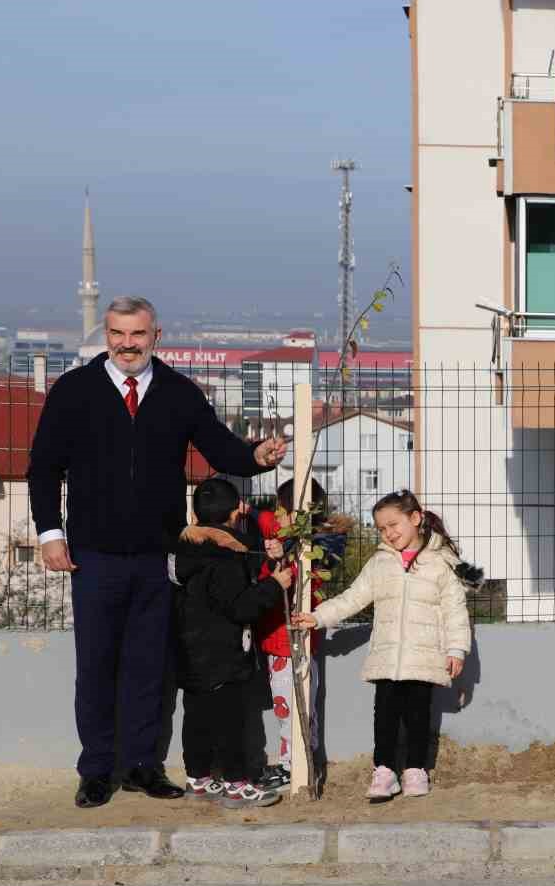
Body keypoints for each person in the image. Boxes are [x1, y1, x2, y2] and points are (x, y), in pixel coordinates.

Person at [28, 296, 287, 809]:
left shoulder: (177, 392)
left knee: (151, 667)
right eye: (118, 334)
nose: (128, 344)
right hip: (93, 557)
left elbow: (220, 448)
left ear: (156, 336)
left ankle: (142, 766)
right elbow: (43, 468)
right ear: (108, 335)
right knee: (97, 664)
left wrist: (256, 457)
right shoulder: (74, 390)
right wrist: (49, 534)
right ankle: (97, 769)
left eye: (138, 335)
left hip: (157, 557)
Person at [295, 490, 481, 802]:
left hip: (423, 658)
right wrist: (318, 617)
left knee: (419, 715)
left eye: (394, 524)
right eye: (381, 529)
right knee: (385, 715)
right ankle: (383, 771)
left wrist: (456, 650)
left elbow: (455, 611)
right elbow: (352, 597)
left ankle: (415, 770)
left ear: (416, 519)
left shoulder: (442, 564)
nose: (388, 533)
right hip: (386, 657)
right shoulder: (379, 563)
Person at [170, 479, 290, 809]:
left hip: (190, 655)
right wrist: (273, 584)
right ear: (237, 511)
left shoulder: (186, 550)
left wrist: (264, 556)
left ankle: (198, 778)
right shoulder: (225, 560)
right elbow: (238, 605)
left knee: (196, 719)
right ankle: (237, 784)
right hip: (224, 654)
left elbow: (240, 557)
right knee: (231, 723)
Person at [251, 478, 340, 788]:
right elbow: (262, 519)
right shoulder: (293, 544)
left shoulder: (308, 553)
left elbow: (286, 586)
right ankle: (301, 764)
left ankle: (296, 767)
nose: (274, 516)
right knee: (295, 707)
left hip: (289, 646)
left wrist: (279, 558)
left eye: (281, 509)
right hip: (288, 644)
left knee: (290, 708)